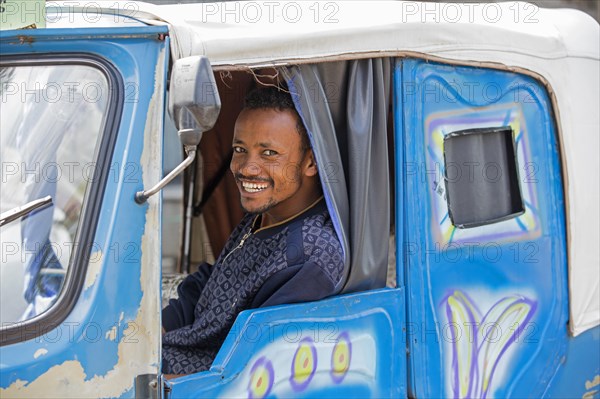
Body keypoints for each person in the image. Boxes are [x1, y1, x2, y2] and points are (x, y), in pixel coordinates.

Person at [161, 87, 344, 375]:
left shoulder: (309, 257)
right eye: (239, 150)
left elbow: (249, 372)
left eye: (269, 153)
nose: (247, 168)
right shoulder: (269, 211)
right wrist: (153, 329)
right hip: (170, 352)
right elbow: (214, 281)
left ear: (311, 161)